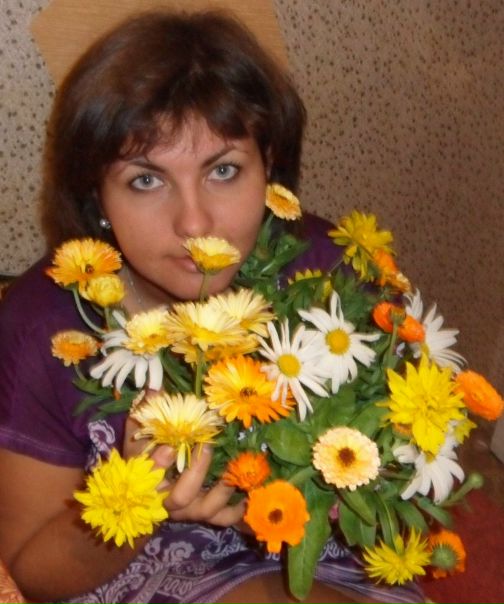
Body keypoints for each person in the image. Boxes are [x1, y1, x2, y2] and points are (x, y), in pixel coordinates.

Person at [0, 10, 426, 604]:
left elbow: (412, 492)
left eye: (223, 171)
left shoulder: (331, 277)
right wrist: (139, 501)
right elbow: (31, 572)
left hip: (321, 565)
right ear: (94, 193)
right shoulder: (42, 328)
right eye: (146, 180)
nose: (195, 223)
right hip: (130, 570)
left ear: (269, 164)